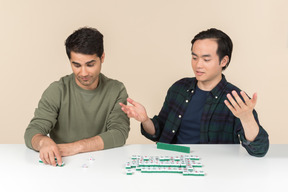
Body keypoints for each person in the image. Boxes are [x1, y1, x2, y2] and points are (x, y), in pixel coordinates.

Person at [120, 28, 269, 157]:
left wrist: (247, 118)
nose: (198, 65)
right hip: (171, 160)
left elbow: (259, 150)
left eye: (206, 59)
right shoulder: (179, 88)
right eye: (194, 57)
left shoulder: (235, 98)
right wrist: (145, 120)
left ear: (223, 61)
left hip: (214, 169)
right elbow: (158, 132)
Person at [24, 27, 130, 166]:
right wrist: (44, 142)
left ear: (102, 57)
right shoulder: (57, 90)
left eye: (90, 64)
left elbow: (119, 134)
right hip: (62, 164)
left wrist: (75, 147)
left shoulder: (116, 90)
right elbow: (32, 132)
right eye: (76, 65)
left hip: (102, 165)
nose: (84, 73)